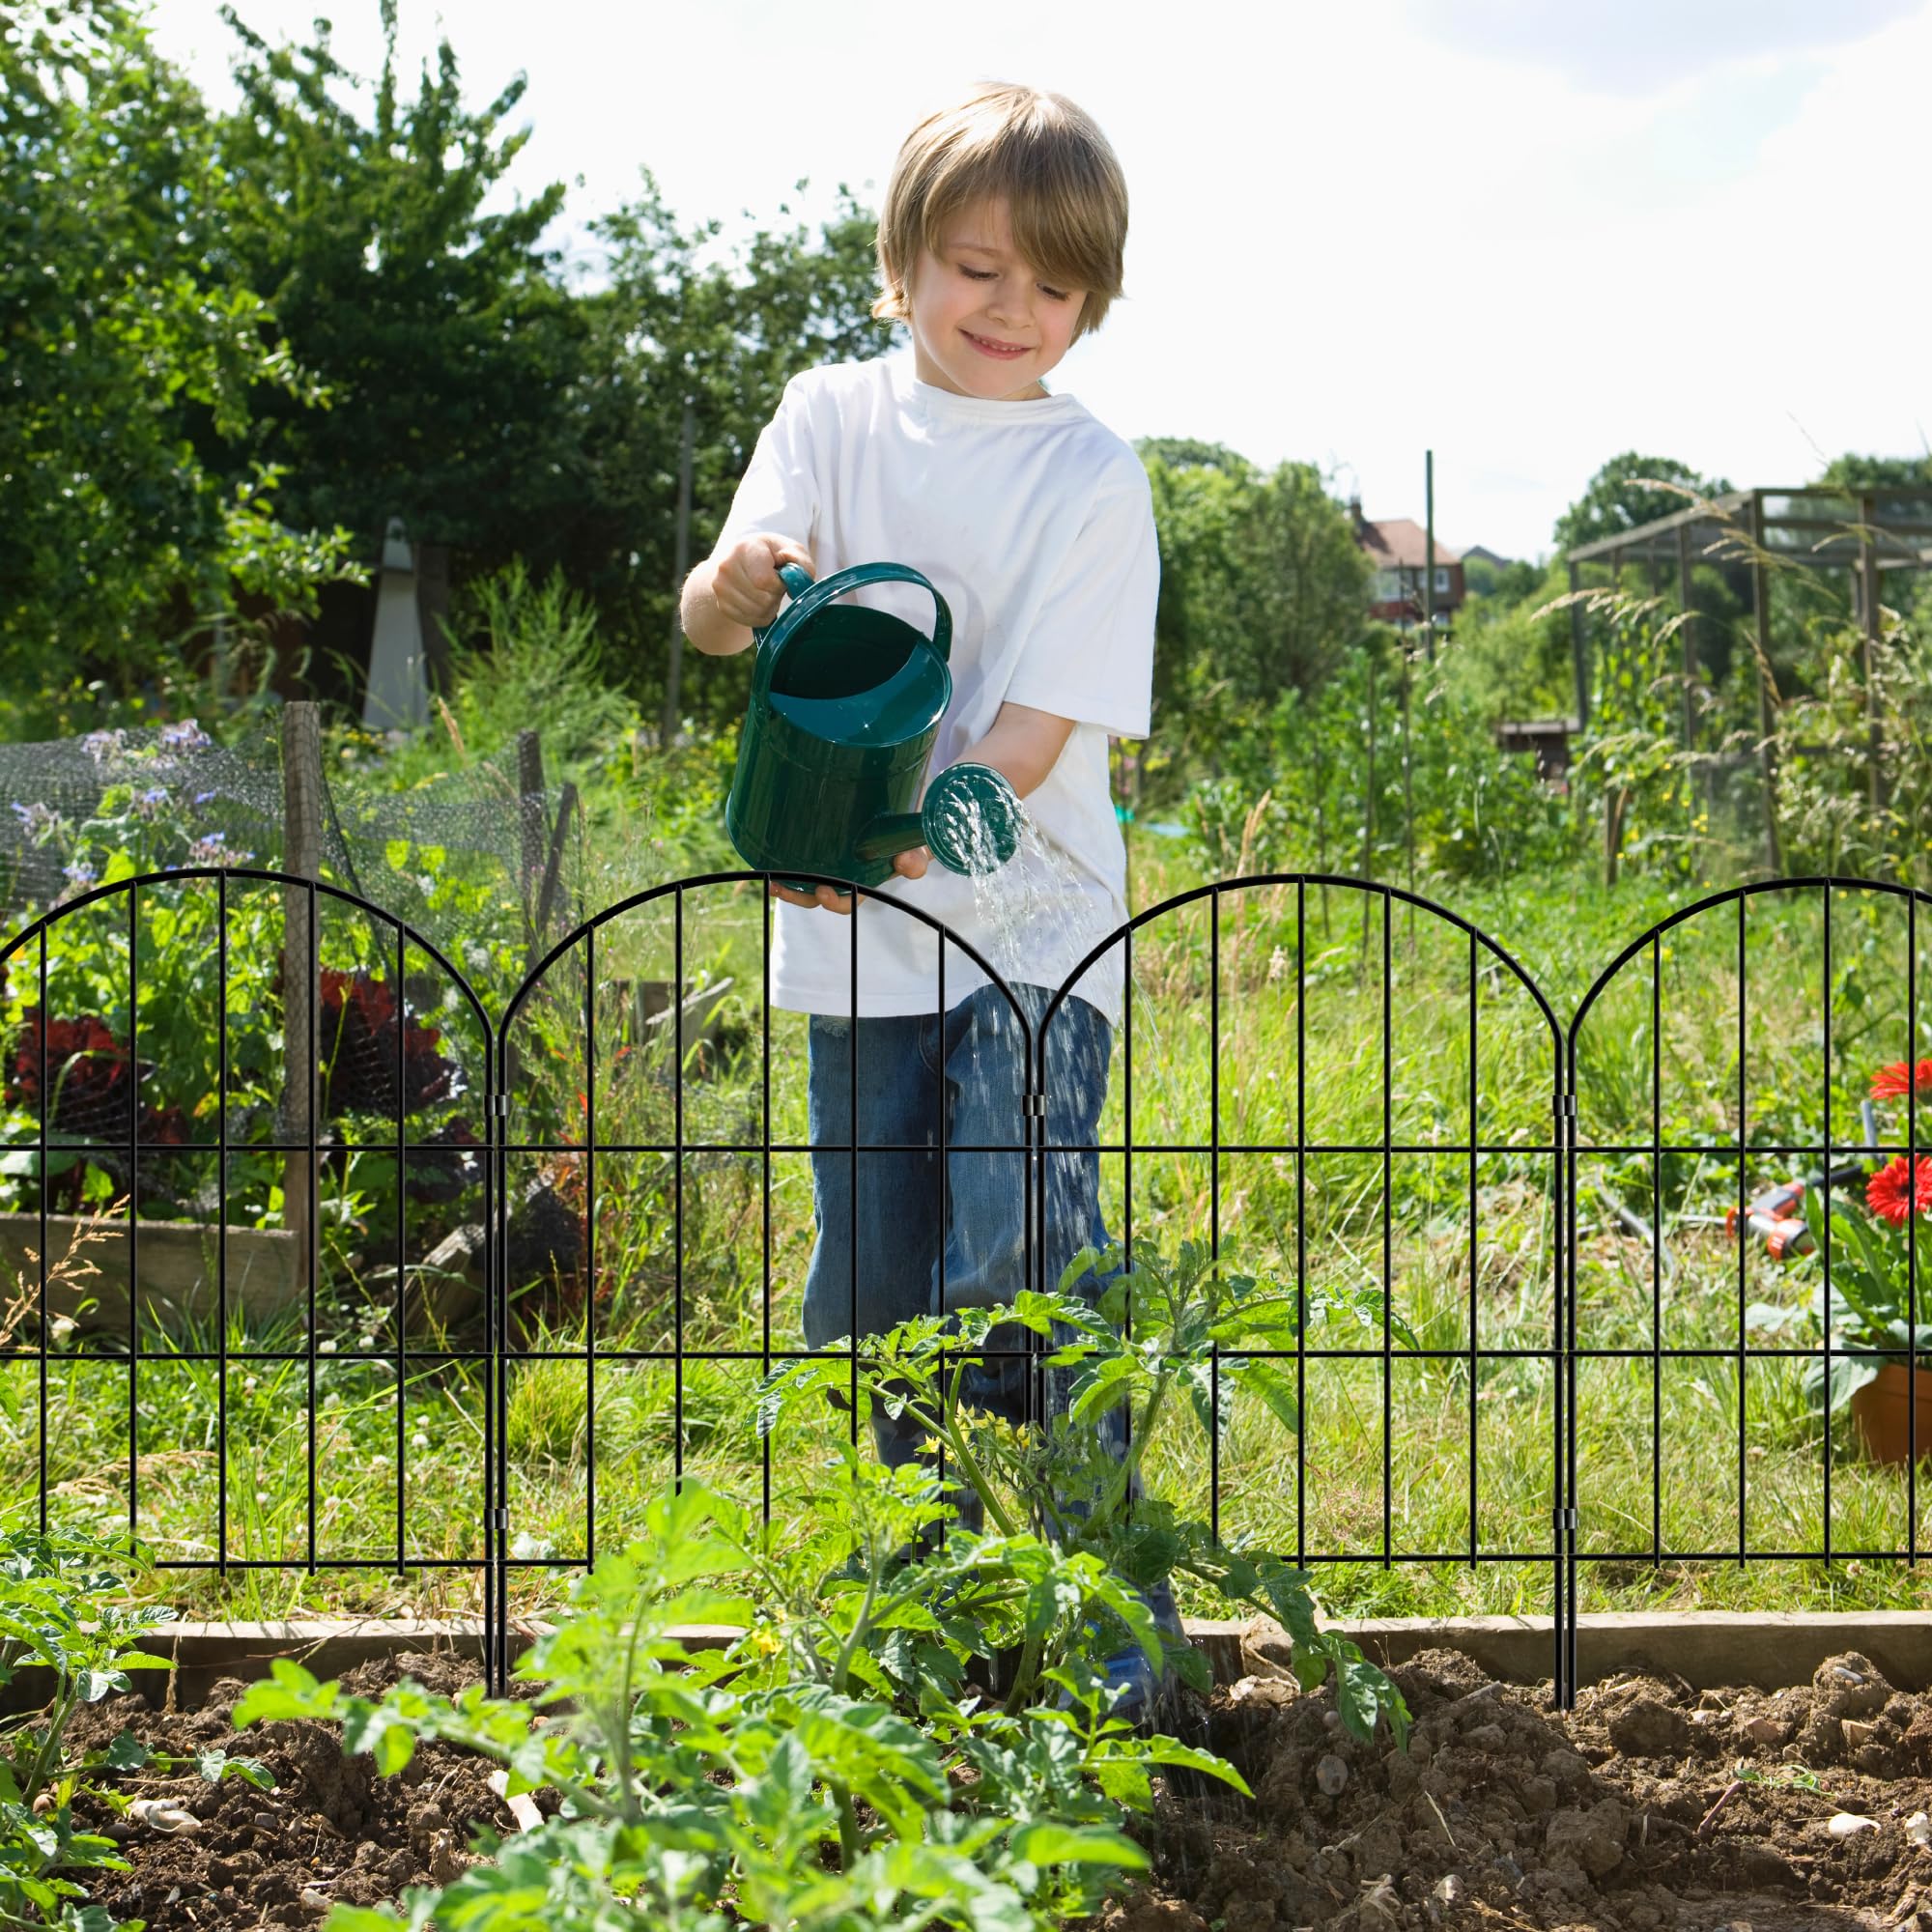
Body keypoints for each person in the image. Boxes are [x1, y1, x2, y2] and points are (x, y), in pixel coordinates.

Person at [678, 79, 1175, 1716]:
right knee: (877, 1290)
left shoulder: (1093, 478)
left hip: (1031, 937)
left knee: (1019, 1261)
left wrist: (924, 818)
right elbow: (722, 614)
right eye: (976, 269)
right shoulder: (829, 419)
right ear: (901, 268)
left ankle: (1105, 1600)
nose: (1010, 309)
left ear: (1089, 302)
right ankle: (924, 1599)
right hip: (848, 940)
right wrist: (735, 589)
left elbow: (1032, 732)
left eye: (1052, 285)